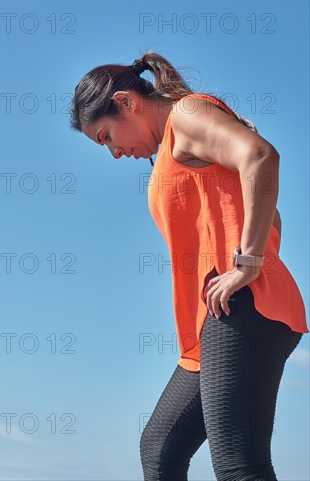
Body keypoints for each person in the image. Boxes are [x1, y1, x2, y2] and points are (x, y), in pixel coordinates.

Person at [70, 51, 309, 481]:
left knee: (239, 466)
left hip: (244, 305)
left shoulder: (187, 113)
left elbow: (260, 156)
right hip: (214, 318)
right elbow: (272, 216)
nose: (113, 152)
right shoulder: (167, 153)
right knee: (160, 450)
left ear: (127, 102)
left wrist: (249, 264)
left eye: (106, 136)